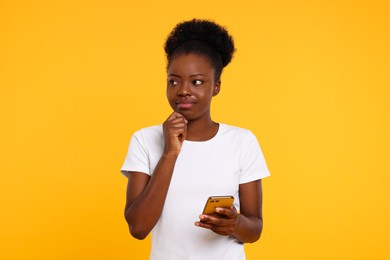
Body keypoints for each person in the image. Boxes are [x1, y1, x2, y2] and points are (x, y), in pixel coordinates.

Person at [121, 19, 270, 259]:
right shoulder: (144, 140)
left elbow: (255, 229)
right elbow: (138, 228)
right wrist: (170, 153)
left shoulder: (242, 142)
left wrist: (235, 224)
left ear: (216, 87)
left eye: (197, 82)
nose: (183, 90)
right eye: (174, 80)